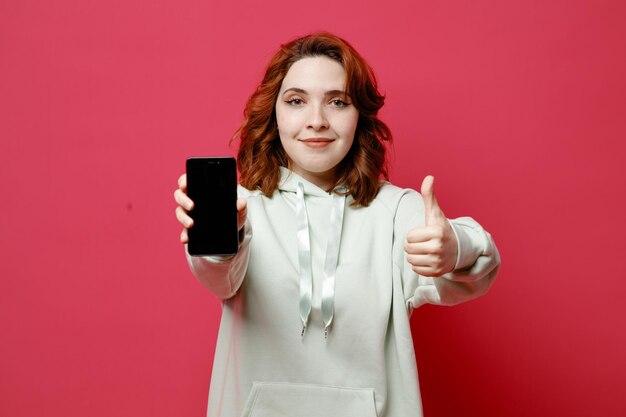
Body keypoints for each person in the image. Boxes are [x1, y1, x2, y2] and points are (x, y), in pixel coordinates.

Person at [174, 32, 500, 417]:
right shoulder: (244, 207)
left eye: (337, 102)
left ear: (358, 114)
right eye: (296, 101)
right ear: (274, 114)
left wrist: (454, 248)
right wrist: (219, 239)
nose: (316, 121)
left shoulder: (395, 210)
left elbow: (478, 264)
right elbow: (217, 274)